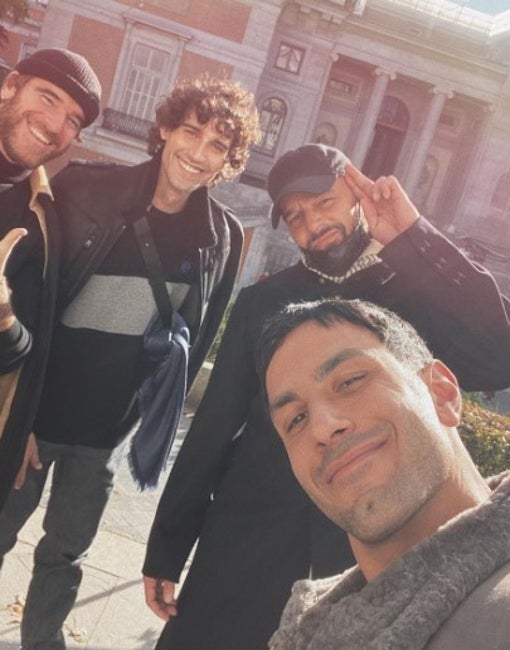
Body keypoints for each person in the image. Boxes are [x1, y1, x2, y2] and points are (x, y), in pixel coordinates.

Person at [142, 143, 510, 650]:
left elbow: (500, 354)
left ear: (357, 195)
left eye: (323, 202)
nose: (312, 223)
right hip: (247, 539)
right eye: (295, 216)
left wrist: (414, 238)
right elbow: (213, 426)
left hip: (374, 554)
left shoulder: (414, 290)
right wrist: (167, 547)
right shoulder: (262, 303)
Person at [0, 75, 260, 650]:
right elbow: (34, 305)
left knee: (66, 554)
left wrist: (138, 429)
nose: (198, 153)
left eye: (217, 145)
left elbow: (196, 342)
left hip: (105, 437)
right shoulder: (84, 191)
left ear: (228, 161)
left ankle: (43, 641)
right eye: (190, 132)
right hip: (36, 418)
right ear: (164, 129)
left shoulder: (224, 237)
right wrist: (20, 419)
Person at [261, 297, 510, 650]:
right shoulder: (303, 628)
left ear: (441, 393)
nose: (322, 428)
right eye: (296, 419)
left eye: (350, 381)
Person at [0, 48, 101, 510]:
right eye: (47, 97)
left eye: (74, 120)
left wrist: (3, 317)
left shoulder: (42, 222)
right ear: (10, 86)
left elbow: (26, 353)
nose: (57, 123)